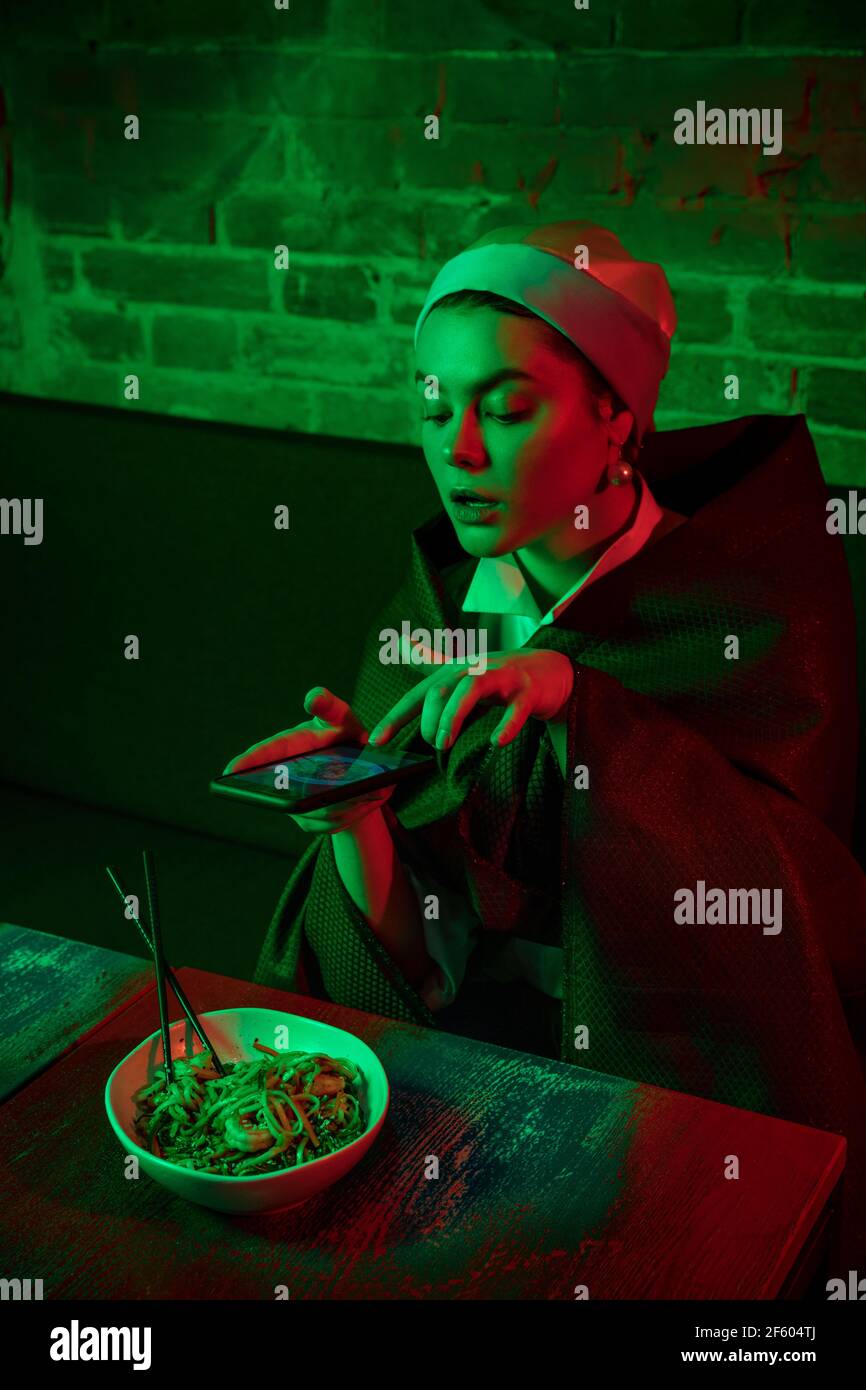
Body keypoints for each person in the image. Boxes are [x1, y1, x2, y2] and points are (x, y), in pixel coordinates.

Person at [227, 221, 866, 1274]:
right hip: (463, 1067)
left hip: (661, 1072)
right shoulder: (444, 601)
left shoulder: (742, 611)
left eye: (504, 407)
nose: (456, 449)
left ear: (617, 416)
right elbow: (422, 941)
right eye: (433, 406)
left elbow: (789, 911)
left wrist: (585, 706)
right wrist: (361, 817)